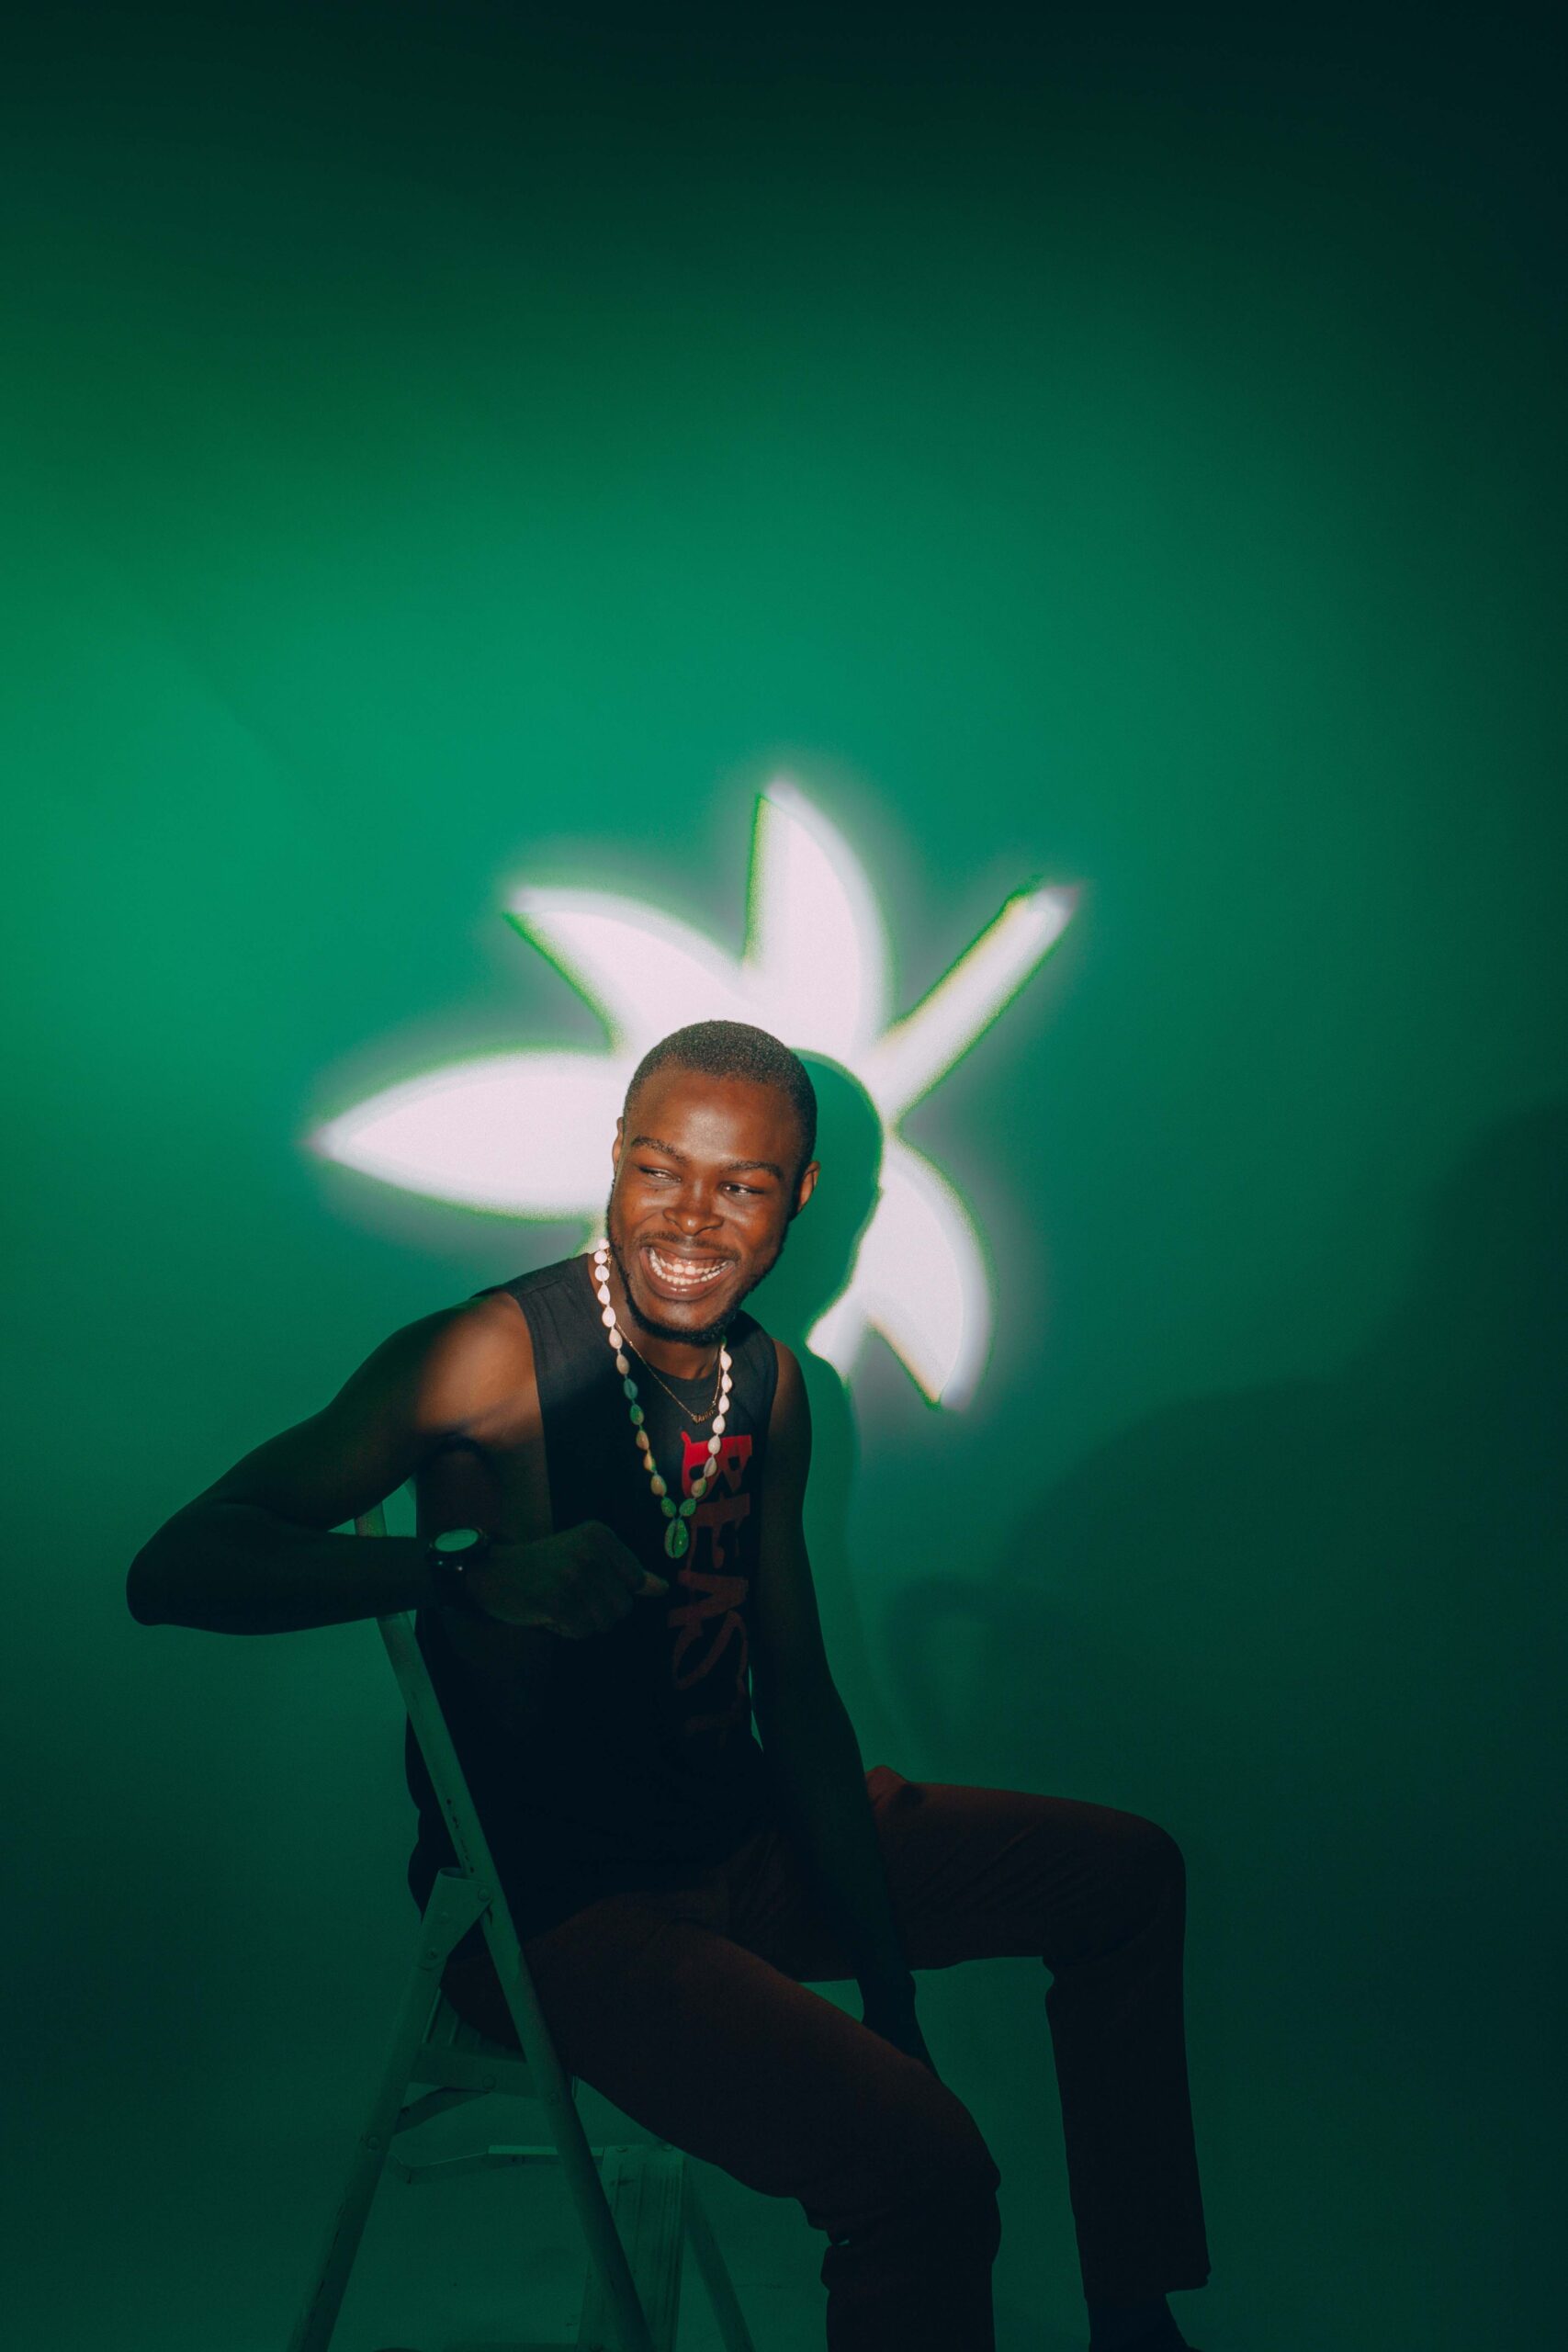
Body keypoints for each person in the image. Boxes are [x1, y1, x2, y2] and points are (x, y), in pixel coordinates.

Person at [128, 1018, 1212, 2352]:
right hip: (560, 1918)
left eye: (742, 1184)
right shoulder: (490, 1356)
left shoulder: (774, 1387)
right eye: (659, 1170)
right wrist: (464, 1574)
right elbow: (176, 1566)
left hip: (742, 1853)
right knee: (926, 2172)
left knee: (1126, 1875)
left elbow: (799, 1698)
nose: (690, 1218)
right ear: (617, 1161)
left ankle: (1132, 2320)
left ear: (800, 1197)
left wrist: (890, 1999)